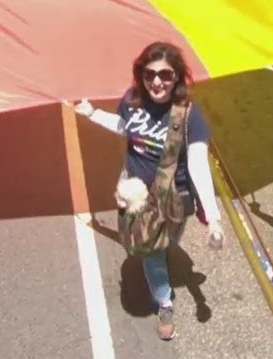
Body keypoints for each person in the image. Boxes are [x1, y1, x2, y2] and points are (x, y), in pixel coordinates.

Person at [73, 41, 224, 341]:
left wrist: (214, 217)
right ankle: (165, 302)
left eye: (166, 75)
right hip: (136, 197)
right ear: (140, 75)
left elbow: (198, 165)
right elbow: (122, 126)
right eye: (149, 74)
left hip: (174, 201)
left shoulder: (189, 116)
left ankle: (164, 251)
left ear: (178, 77)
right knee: (152, 254)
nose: (157, 81)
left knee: (168, 243)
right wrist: (91, 113)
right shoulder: (131, 101)